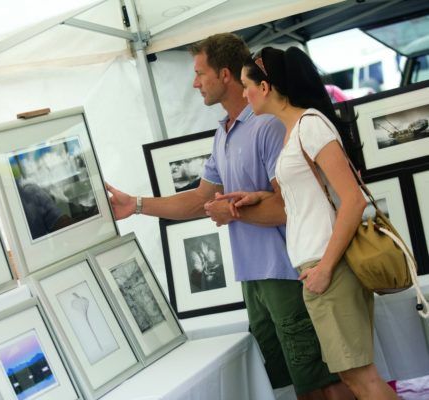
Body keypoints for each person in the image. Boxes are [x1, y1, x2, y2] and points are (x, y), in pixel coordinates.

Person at [106, 33, 353, 399]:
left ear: (224, 74)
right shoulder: (223, 132)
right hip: (253, 279)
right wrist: (137, 205)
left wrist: (233, 214)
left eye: (199, 73)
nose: (194, 83)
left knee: (322, 384)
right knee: (289, 387)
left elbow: (289, 206)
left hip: (288, 273)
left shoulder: (268, 125)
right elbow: (200, 199)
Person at [217, 46, 398, 399]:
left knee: (361, 379)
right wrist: (258, 197)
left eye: (247, 86)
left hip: (328, 263)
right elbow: (307, 198)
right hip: (317, 264)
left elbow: (353, 200)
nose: (244, 95)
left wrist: (326, 268)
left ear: (265, 87)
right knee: (353, 377)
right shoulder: (295, 129)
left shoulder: (309, 125)